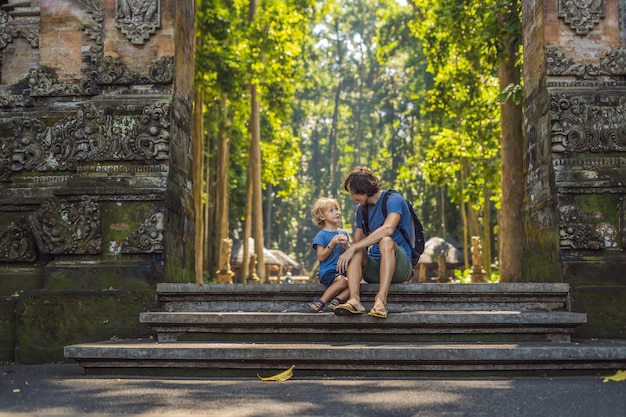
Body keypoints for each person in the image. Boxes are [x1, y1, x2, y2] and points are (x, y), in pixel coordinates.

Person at [334, 167, 413, 319]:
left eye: (354, 193)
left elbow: (388, 228)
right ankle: (355, 300)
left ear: (364, 189)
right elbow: (356, 244)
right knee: (357, 250)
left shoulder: (393, 199)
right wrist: (346, 246)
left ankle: (380, 301)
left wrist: (355, 246)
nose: (352, 198)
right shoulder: (361, 210)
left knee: (386, 240)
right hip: (375, 268)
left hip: (400, 266)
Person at [309, 197, 351, 312]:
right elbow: (321, 257)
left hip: (343, 271)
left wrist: (347, 245)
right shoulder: (321, 235)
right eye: (331, 210)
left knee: (355, 283)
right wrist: (331, 244)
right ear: (322, 216)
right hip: (328, 272)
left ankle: (336, 300)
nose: (336, 212)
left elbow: (351, 253)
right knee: (343, 281)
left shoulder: (344, 233)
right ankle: (321, 302)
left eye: (337, 209)